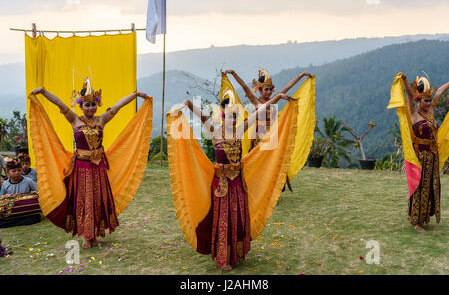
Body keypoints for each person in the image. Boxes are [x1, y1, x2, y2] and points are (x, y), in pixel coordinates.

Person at [168, 90, 297, 270]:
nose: (234, 120)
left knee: (238, 219)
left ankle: (237, 254)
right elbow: (198, 112)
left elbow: (259, 111)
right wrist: (185, 104)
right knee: (224, 220)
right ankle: (224, 259)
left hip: (238, 183)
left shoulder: (239, 131)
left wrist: (278, 98)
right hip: (221, 185)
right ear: (222, 118)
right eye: (230, 117)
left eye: (235, 117)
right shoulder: (214, 132)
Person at [31, 78, 152, 249]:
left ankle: (94, 235)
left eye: (93, 104)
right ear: (80, 106)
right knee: (84, 200)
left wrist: (136, 95)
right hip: (81, 169)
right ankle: (86, 237)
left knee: (97, 200)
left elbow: (117, 107)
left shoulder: (101, 120)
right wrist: (43, 91)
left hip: (98, 167)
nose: (91, 108)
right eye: (87, 105)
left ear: (98, 104)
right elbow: (60, 105)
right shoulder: (74, 120)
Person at [222, 69, 312, 191]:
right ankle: (258, 190)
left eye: (270, 89)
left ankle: (274, 190)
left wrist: (300, 76)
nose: (268, 92)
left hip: (273, 137)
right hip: (259, 139)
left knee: (274, 164)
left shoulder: (275, 98)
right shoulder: (256, 101)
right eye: (266, 89)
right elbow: (244, 86)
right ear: (260, 90)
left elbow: (287, 87)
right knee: (260, 165)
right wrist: (233, 74)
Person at [401, 73, 449, 232]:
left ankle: (425, 216)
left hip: (432, 157)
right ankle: (416, 222)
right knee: (419, 187)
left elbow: (440, 92)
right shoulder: (414, 113)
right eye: (425, 100)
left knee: (430, 187)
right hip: (420, 158)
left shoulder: (431, 111)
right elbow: (409, 94)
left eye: (429, 100)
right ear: (418, 100)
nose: (429, 103)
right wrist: (406, 82)